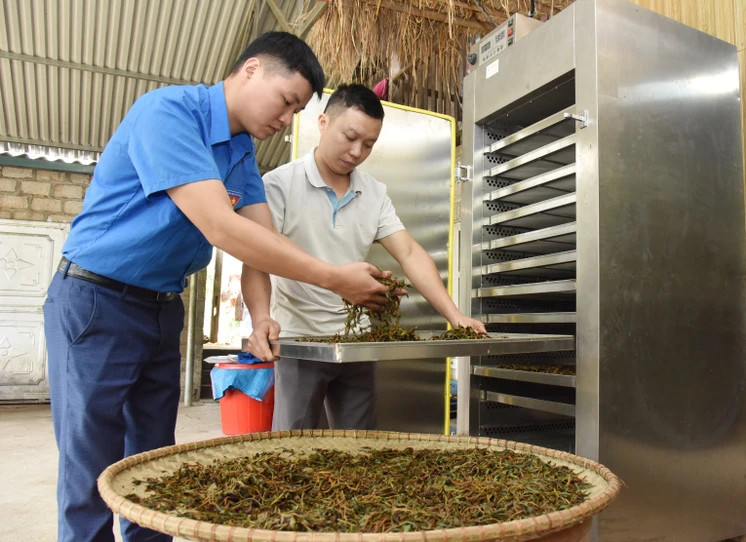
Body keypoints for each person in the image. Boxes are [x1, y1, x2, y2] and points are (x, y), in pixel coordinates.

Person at [43, 34, 394, 542]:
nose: (286, 118)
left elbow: (259, 241)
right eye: (287, 101)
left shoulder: (241, 153)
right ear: (251, 70)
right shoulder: (168, 113)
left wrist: (260, 317)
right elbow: (222, 228)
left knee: (153, 455)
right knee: (90, 454)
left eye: (297, 109)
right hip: (98, 301)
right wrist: (333, 277)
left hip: (162, 306)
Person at [242, 83, 486, 431]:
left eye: (369, 144)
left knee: (359, 448)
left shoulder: (373, 193)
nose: (357, 151)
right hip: (299, 342)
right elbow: (256, 262)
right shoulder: (279, 185)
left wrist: (455, 316)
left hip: (357, 343)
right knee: (292, 447)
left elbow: (411, 253)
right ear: (323, 122)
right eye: (350, 137)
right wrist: (261, 318)